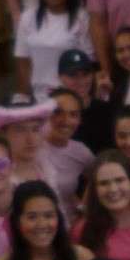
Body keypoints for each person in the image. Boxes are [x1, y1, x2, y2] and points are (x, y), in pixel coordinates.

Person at [14, 0, 93, 97]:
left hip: (72, 99)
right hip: (39, 97)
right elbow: (23, 62)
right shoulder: (28, 18)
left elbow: (89, 62)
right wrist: (23, 98)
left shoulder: (81, 18)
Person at [38, 89, 96, 219]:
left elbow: (98, 176)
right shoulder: (31, 147)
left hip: (68, 228)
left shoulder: (81, 152)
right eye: (58, 112)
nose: (66, 120)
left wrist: (83, 206)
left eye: (73, 114)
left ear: (79, 120)